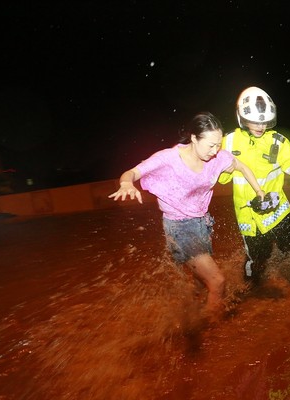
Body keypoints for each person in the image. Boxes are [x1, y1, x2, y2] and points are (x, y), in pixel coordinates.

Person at [108, 112, 265, 320]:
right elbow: (132, 173)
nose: (215, 150)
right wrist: (126, 183)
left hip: (203, 223)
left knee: (202, 281)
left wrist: (259, 191)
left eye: (218, 144)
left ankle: (189, 312)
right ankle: (208, 325)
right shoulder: (169, 159)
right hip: (179, 227)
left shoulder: (218, 158)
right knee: (217, 281)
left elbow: (242, 167)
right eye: (210, 145)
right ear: (193, 138)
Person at [218, 86, 290, 285]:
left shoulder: (277, 143)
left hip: (279, 211)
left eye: (264, 122)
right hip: (250, 219)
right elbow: (219, 178)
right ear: (242, 118)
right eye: (255, 122)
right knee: (257, 262)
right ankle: (251, 291)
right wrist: (224, 170)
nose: (260, 126)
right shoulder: (228, 143)